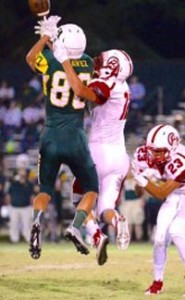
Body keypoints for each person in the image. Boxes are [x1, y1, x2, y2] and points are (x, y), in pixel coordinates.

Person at [52, 32, 133, 261]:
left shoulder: (107, 83)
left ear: (113, 67)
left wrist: (64, 60)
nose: (99, 62)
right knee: (105, 207)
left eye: (105, 60)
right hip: (119, 156)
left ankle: (95, 234)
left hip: (98, 152)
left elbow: (83, 91)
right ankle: (116, 221)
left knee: (79, 200)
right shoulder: (124, 87)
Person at [26, 16, 99, 259]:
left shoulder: (49, 61)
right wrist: (53, 41)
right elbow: (67, 60)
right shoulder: (88, 63)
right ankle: (76, 226)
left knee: (45, 189)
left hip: (50, 135)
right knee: (91, 188)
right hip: (75, 136)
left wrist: (46, 37)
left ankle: (37, 221)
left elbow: (30, 59)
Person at [132, 123, 185, 296]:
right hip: (173, 196)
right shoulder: (144, 156)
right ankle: (157, 282)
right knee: (160, 238)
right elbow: (138, 192)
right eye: (152, 150)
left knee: (177, 230)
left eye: (160, 151)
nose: (154, 155)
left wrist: (144, 181)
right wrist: (139, 177)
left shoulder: (180, 160)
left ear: (172, 147)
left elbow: (161, 193)